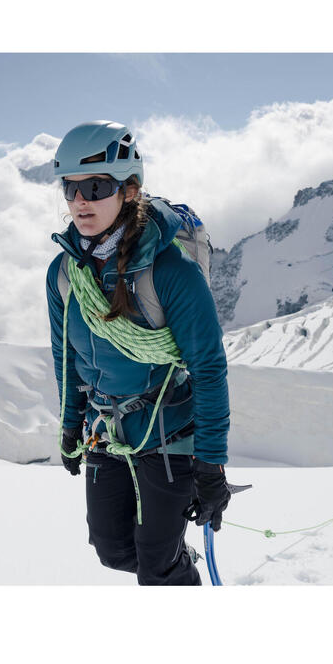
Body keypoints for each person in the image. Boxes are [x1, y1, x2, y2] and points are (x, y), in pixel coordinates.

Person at [45, 120, 231, 586]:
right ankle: (172, 558)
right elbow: (65, 359)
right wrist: (70, 426)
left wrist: (211, 465)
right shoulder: (64, 274)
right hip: (104, 431)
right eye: (70, 188)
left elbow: (208, 369)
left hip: (168, 433)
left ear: (129, 190)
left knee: (157, 569)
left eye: (96, 186)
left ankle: (172, 569)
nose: (80, 200)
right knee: (112, 550)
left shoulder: (170, 271)